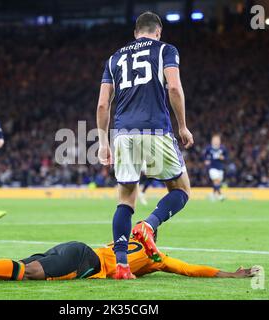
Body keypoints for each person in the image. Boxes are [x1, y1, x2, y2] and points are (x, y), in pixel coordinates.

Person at [96, 11, 193, 279]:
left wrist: (103, 142)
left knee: (126, 198)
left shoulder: (114, 58)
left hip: (123, 133)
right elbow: (174, 88)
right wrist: (182, 125)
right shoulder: (166, 50)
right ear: (158, 31)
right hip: (155, 128)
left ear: (135, 32)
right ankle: (149, 225)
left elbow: (104, 104)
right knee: (181, 188)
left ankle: (122, 266)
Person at [0, 228, 259, 283]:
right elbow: (189, 268)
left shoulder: (123, 239)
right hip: (82, 261)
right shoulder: (157, 258)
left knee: (13, 271)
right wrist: (230, 274)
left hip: (76, 249)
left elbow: (188, 268)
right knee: (27, 273)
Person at [204, 134, 228, 201]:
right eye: (214, 140)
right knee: (216, 180)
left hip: (220, 168)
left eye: (217, 140)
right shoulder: (209, 148)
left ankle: (213, 195)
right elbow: (204, 155)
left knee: (218, 182)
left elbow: (226, 157)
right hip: (212, 168)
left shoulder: (223, 148)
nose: (216, 141)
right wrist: (206, 160)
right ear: (212, 141)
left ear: (220, 141)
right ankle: (220, 195)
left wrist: (223, 158)